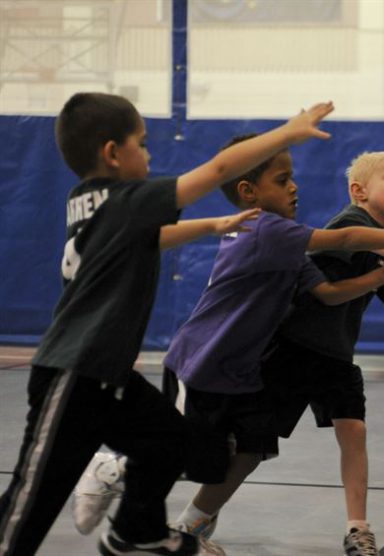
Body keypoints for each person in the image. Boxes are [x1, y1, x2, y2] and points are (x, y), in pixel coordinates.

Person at [71, 134, 384, 546]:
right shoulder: (287, 228)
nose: (294, 186)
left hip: (247, 368)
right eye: (283, 180)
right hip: (206, 359)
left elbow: (332, 294)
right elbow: (350, 242)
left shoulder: (292, 242)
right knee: (187, 450)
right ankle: (116, 468)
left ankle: (190, 526)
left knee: (241, 452)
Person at [0, 92, 334, 556]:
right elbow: (218, 170)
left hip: (109, 378)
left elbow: (151, 238)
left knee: (168, 443)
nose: (150, 153)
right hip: (72, 374)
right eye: (143, 142)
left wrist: (212, 225)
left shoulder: (87, 201)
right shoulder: (128, 197)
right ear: (113, 154)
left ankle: (134, 533)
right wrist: (287, 132)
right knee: (30, 505)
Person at [177, 150, 384, 555]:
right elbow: (357, 270)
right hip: (289, 351)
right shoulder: (352, 223)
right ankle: (191, 521)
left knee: (354, 431)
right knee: (251, 450)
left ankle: (358, 529)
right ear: (358, 191)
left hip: (335, 358)